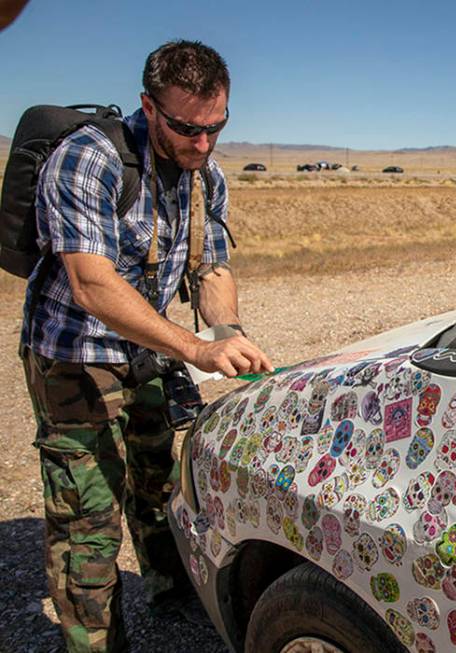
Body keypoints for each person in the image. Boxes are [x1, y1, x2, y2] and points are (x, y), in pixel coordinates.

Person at [20, 40, 273, 652]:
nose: (203, 144)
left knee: (159, 485)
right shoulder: (87, 159)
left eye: (217, 127)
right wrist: (194, 347)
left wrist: (228, 335)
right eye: (188, 128)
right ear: (148, 107)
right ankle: (96, 642)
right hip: (74, 357)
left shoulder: (202, 174)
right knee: (89, 523)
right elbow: (92, 285)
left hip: (147, 353)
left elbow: (210, 268)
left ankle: (172, 590)